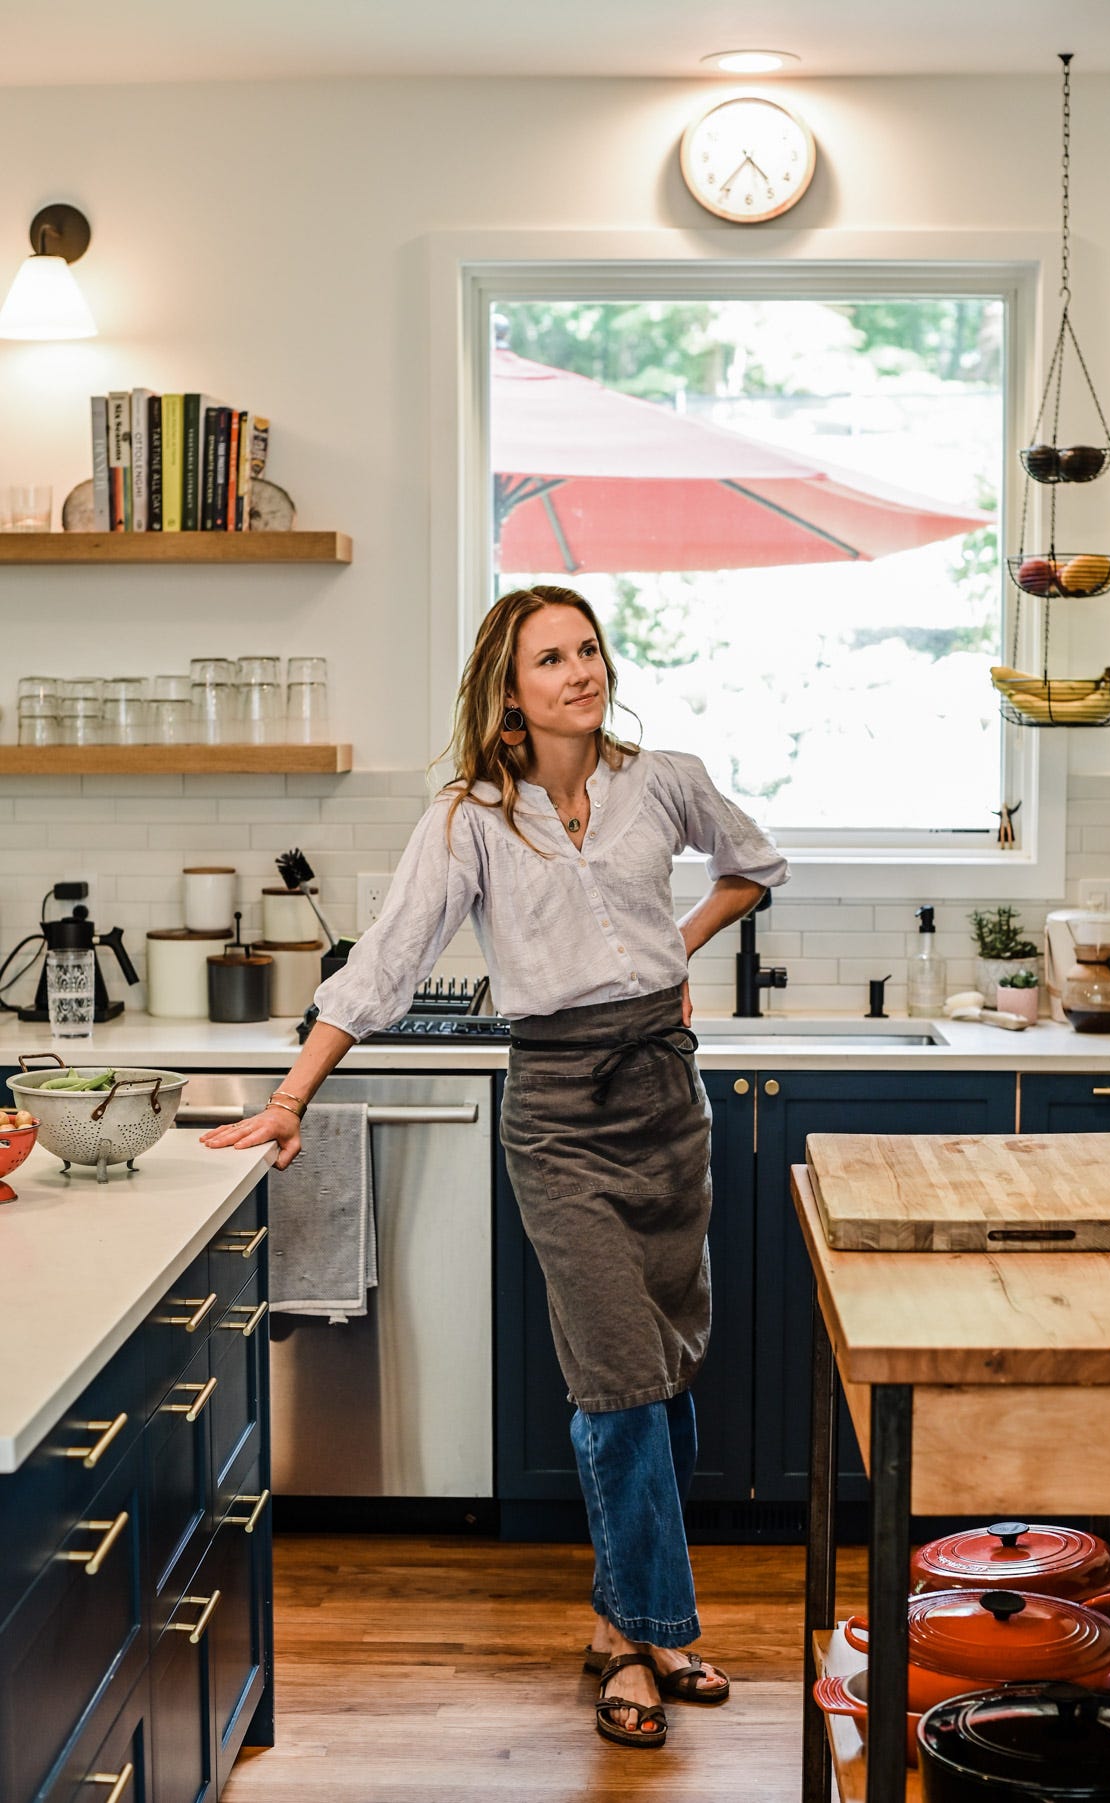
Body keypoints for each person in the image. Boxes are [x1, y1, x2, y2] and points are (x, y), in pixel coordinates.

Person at [201, 584, 788, 1749]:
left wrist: (676, 945)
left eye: (589, 650)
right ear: (509, 692)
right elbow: (384, 965)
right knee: (614, 1371)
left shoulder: (662, 779)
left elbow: (755, 864)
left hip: (666, 1094)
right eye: (551, 659)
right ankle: (653, 1625)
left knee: (666, 1361)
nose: (581, 672)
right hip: (561, 1107)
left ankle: (625, 1626)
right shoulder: (471, 818)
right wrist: (289, 1097)